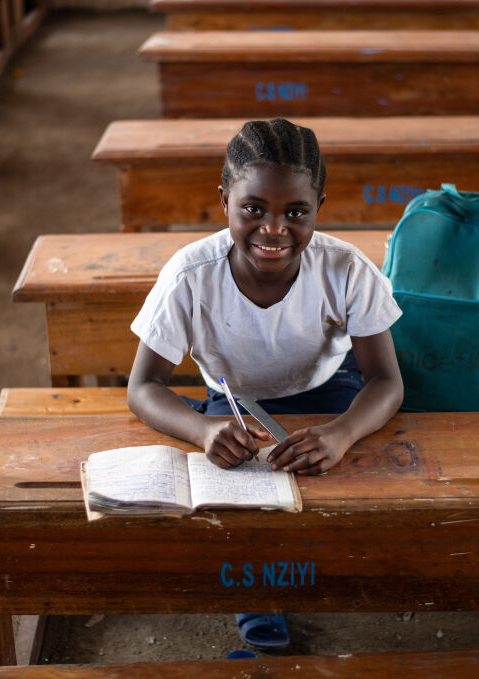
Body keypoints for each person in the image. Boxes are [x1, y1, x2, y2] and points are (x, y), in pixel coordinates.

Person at [126, 117, 404, 647]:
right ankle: (260, 596)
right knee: (240, 487)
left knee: (338, 481)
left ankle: (334, 569)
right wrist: (204, 430)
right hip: (232, 403)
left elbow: (386, 381)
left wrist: (341, 433)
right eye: (253, 208)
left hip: (331, 395)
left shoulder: (345, 267)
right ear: (224, 199)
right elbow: (143, 387)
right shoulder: (190, 274)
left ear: (320, 205)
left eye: (296, 212)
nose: (274, 229)